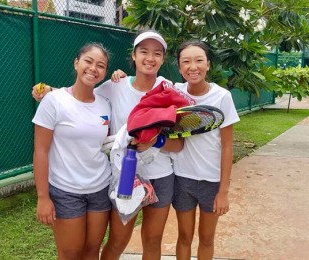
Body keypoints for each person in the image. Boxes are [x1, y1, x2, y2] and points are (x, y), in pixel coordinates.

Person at [32, 30, 183, 260]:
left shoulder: (169, 90)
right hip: (124, 177)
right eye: (143, 51)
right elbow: (79, 96)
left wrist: (156, 141)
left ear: (163, 59)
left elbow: (179, 144)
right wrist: (46, 91)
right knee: (116, 243)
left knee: (152, 240)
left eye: (157, 53)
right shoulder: (115, 86)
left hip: (160, 176)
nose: (150, 58)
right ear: (133, 56)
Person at [32, 43, 112, 260]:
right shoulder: (54, 101)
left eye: (101, 65)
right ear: (76, 63)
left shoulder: (105, 104)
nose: (93, 68)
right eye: (88, 61)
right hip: (65, 191)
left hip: (100, 188)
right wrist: (43, 197)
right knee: (70, 253)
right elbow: (40, 151)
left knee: (91, 251)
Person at [171, 40, 240, 259]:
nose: (193, 67)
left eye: (199, 60)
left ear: (208, 64)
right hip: (182, 178)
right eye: (186, 61)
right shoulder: (175, 92)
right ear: (180, 67)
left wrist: (223, 191)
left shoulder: (222, 97)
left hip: (212, 182)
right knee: (184, 237)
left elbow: (227, 146)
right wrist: (120, 77)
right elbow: (143, 84)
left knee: (207, 238)